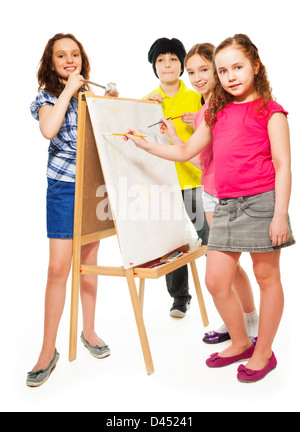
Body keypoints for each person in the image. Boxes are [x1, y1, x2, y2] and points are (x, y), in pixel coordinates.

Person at [124, 34, 295, 383]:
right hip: (227, 204)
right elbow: (185, 152)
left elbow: (283, 166)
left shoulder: (271, 112)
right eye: (224, 70)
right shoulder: (215, 112)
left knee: (266, 277)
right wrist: (143, 144)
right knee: (217, 280)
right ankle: (243, 341)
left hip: (263, 203)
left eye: (238, 67)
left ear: (255, 66)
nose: (230, 75)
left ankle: (264, 353)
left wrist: (280, 215)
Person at [27, 33, 118, 387]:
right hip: (64, 189)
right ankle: (47, 350)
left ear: (82, 59)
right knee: (58, 268)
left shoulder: (89, 97)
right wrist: (69, 91)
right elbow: (49, 130)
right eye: (61, 56)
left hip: (94, 187)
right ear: (51, 63)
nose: (69, 60)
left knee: (89, 262)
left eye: (74, 54)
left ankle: (89, 331)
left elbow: (107, 141)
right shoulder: (46, 97)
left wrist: (109, 104)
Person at [184, 43, 259, 344]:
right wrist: (175, 137)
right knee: (230, 265)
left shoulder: (224, 107)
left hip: (233, 195)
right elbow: (199, 158)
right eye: (191, 72)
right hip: (210, 193)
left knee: (231, 265)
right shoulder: (204, 110)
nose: (198, 77)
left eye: (204, 69)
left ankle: (250, 321)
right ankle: (238, 321)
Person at [144, 37, 209, 319]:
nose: (167, 65)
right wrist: (142, 104)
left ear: (182, 65)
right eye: (160, 60)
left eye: (172, 59)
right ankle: (180, 298)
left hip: (196, 180)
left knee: (210, 239)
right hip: (163, 183)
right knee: (173, 243)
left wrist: (197, 119)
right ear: (154, 66)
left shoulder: (198, 95)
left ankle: (225, 286)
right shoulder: (147, 100)